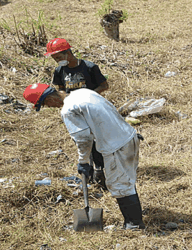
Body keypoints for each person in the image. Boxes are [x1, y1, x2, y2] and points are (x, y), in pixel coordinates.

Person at [23, 83, 145, 229]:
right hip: (129, 136)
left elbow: (83, 139)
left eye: (45, 104)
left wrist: (83, 161)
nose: (49, 107)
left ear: (50, 99)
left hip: (116, 146)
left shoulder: (68, 110)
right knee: (126, 180)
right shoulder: (83, 93)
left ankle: (134, 225)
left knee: (119, 185)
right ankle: (134, 219)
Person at [45, 37, 109, 188]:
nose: (57, 61)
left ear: (68, 53)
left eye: (59, 57)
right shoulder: (60, 70)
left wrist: (87, 96)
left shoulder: (89, 67)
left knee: (97, 141)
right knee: (83, 140)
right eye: (54, 58)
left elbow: (104, 85)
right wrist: (65, 96)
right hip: (74, 112)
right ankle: (90, 170)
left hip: (91, 109)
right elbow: (59, 88)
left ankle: (102, 171)